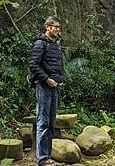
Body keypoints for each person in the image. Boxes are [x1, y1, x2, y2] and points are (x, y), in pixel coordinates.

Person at [29, 17, 65, 166]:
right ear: (47, 27)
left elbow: (55, 66)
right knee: (43, 122)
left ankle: (48, 157)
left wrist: (60, 79)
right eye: (55, 26)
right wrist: (47, 79)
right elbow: (33, 65)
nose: (57, 29)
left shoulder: (54, 45)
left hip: (54, 87)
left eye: (58, 26)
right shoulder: (40, 43)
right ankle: (42, 159)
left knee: (51, 123)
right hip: (43, 87)